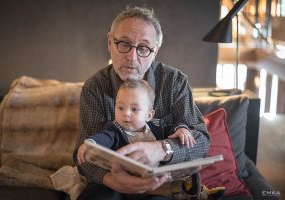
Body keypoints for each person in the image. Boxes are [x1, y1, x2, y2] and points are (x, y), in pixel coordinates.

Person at [74, 6, 210, 200]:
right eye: (123, 44)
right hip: (112, 182)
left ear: (155, 51)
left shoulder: (174, 82)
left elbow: (202, 141)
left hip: (163, 183)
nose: (132, 57)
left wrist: (162, 149)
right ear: (110, 43)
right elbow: (83, 154)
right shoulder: (94, 87)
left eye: (144, 48)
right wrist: (112, 181)